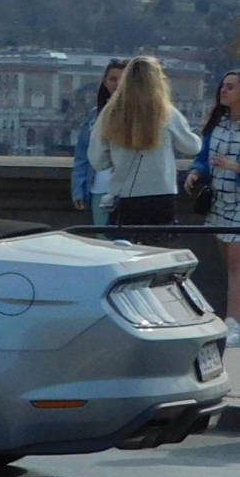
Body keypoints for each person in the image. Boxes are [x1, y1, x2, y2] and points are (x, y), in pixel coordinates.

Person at [90, 55, 200, 229]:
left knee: (125, 248)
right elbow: (191, 147)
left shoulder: (109, 113)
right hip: (161, 192)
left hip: (124, 194)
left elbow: (97, 161)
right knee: (157, 249)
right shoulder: (166, 112)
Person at [185, 69, 240, 326]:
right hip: (219, 201)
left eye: (230, 87)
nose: (223, 90)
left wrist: (233, 166)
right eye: (223, 85)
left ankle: (232, 321)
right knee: (229, 263)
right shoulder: (216, 123)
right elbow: (203, 156)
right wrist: (196, 172)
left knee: (236, 265)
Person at [72, 60, 125, 226]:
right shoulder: (95, 115)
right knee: (103, 242)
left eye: (122, 79)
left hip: (129, 189)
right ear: (105, 82)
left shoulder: (140, 114)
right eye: (113, 79)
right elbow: (82, 154)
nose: (117, 84)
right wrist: (78, 188)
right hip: (99, 188)